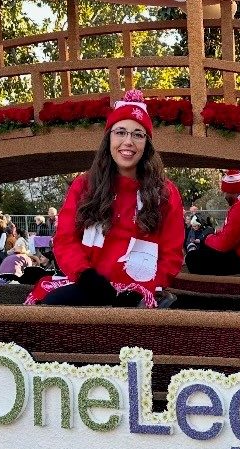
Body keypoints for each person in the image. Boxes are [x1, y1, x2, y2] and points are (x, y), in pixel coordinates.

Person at [36, 90, 184, 307]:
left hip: (140, 291)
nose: (128, 142)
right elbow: (65, 240)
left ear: (147, 144)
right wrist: (87, 278)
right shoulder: (84, 185)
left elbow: (171, 254)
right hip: (91, 284)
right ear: (109, 138)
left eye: (138, 134)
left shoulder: (166, 192)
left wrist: (149, 288)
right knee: (56, 303)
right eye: (121, 132)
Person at [185, 170, 240, 275]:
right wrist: (215, 233)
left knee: (193, 258)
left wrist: (207, 237)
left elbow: (223, 244)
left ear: (232, 191)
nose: (224, 196)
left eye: (225, 192)